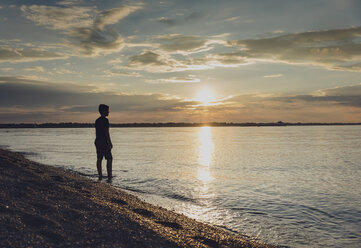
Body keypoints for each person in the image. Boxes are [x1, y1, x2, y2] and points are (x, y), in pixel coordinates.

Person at [95, 104, 113, 181]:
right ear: (103, 111)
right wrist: (110, 142)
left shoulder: (97, 120)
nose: (108, 112)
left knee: (99, 158)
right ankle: (109, 176)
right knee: (109, 158)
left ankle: (100, 176)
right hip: (104, 141)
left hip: (98, 141)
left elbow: (97, 133)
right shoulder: (105, 120)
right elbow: (106, 132)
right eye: (107, 110)